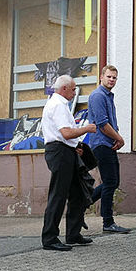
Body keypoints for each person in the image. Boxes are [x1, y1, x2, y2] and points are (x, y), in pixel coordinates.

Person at [40, 75, 97, 251]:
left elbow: (66, 136)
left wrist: (75, 146)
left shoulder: (59, 104)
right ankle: (50, 237)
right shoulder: (57, 105)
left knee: (77, 192)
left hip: (66, 150)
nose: (75, 92)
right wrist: (86, 128)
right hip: (59, 152)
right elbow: (65, 133)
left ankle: (73, 233)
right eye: (73, 89)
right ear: (64, 88)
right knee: (58, 194)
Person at [85, 65, 130, 235]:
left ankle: (84, 204)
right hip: (101, 144)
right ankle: (107, 222)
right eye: (109, 77)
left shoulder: (108, 96)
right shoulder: (98, 96)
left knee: (112, 182)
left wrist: (116, 139)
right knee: (111, 182)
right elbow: (102, 124)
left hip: (108, 143)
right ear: (101, 77)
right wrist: (119, 138)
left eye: (114, 78)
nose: (112, 80)